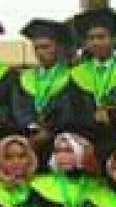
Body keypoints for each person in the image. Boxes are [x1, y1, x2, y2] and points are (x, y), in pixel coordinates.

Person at [66, 9, 116, 137]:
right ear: (86, 43)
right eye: (91, 38)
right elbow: (71, 111)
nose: (96, 43)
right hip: (86, 137)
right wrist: (92, 116)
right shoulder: (75, 74)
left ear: (114, 39)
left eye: (101, 37)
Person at [12, 18, 76, 149]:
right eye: (37, 48)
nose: (40, 53)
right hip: (31, 140)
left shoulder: (73, 77)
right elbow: (19, 108)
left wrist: (50, 131)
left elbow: (70, 111)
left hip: (63, 143)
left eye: (46, 47)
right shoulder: (24, 78)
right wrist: (32, 127)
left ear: (59, 47)